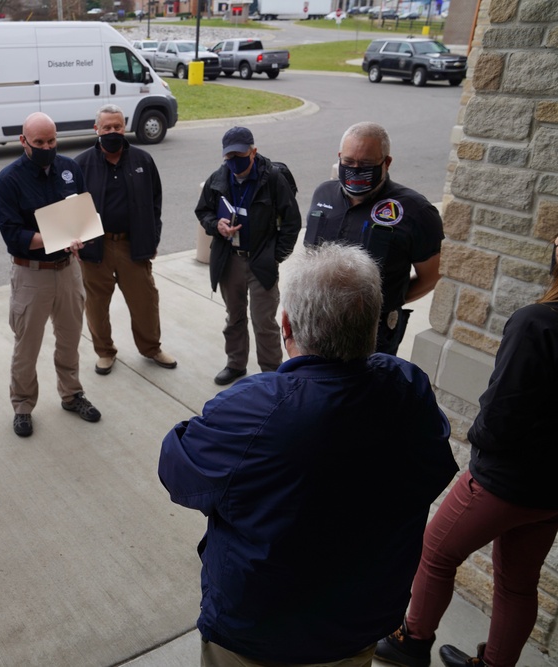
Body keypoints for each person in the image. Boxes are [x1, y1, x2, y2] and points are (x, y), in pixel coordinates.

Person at [159, 243, 458, 666]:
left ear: (285, 325)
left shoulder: (254, 408)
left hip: (258, 636)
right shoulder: (406, 388)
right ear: (372, 326)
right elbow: (434, 470)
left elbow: (177, 466)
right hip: (358, 625)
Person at [375, 260, 558, 667]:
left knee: (436, 552)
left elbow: (501, 415)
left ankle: (413, 640)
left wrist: (477, 443)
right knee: (518, 584)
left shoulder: (536, 323)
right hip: (551, 493)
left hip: (505, 480)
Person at [0, 111, 101, 438]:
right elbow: (13, 236)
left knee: (70, 338)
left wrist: (83, 235)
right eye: (39, 142)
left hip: (68, 269)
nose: (47, 146)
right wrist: (58, 238)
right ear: (23, 141)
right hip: (32, 274)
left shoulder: (69, 169)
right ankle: (23, 405)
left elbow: (83, 213)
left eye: (51, 141)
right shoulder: (8, 180)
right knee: (27, 345)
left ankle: (72, 394)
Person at [304, 121, 443, 356]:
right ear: (339, 158)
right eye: (348, 162)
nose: (355, 170)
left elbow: (432, 275)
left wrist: (383, 303)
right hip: (318, 323)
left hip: (374, 333)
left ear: (386, 162)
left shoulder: (415, 211)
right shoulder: (323, 194)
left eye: (366, 164)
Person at [73, 104, 175, 375]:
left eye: (117, 126)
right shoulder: (81, 164)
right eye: (107, 127)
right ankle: (105, 352)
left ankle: (151, 348)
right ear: (97, 129)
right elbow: (71, 206)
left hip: (134, 245)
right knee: (96, 306)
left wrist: (153, 239)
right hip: (97, 248)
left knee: (145, 302)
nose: (113, 131)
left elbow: (156, 204)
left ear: (125, 126)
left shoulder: (142, 160)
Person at [194, 126, 300, 387]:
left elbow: (292, 221)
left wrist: (276, 256)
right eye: (229, 156)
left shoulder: (273, 179)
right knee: (234, 317)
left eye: (240, 154)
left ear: (254, 151)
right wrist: (215, 226)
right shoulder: (218, 179)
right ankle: (235, 364)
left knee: (264, 320)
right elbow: (203, 211)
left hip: (261, 261)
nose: (234, 161)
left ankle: (271, 374)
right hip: (230, 259)